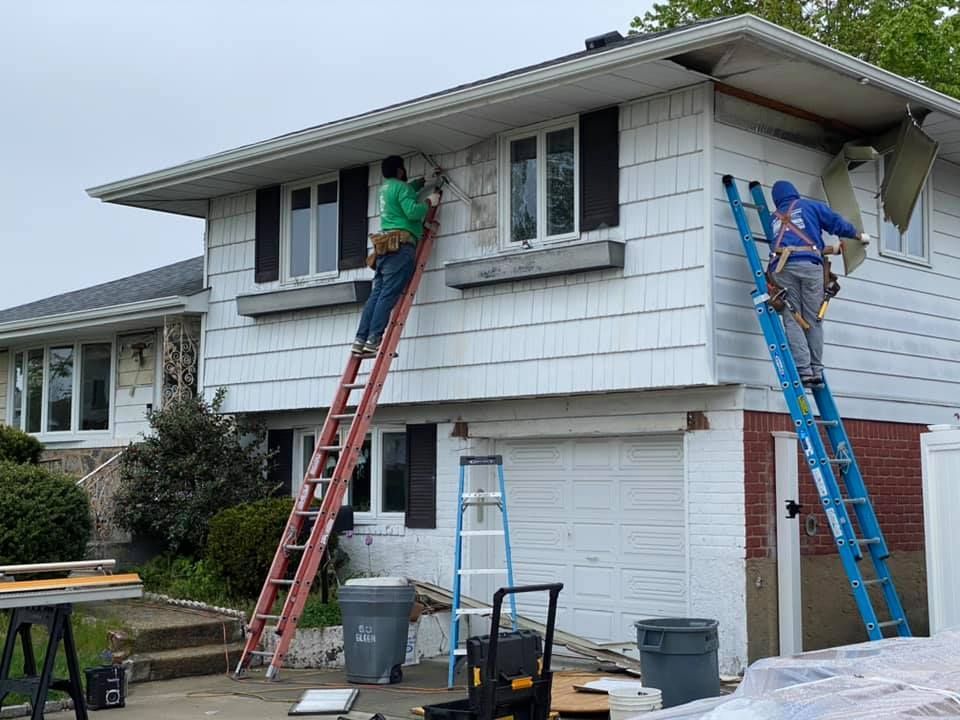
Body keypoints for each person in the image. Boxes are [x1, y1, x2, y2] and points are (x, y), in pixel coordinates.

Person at [768, 180, 869, 387]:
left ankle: (803, 371)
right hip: (809, 266)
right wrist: (857, 235)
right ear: (794, 193)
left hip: (782, 269)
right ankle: (816, 369)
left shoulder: (773, 218)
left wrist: (830, 249)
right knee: (813, 319)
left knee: (793, 318)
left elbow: (790, 244)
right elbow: (836, 223)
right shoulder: (809, 206)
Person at [352, 156, 440, 355]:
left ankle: (360, 340)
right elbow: (412, 212)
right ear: (400, 170)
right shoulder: (402, 188)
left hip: (385, 247)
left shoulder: (385, 188)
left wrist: (422, 181)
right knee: (387, 295)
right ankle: (373, 340)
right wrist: (428, 202)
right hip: (401, 247)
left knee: (376, 294)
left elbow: (404, 192)